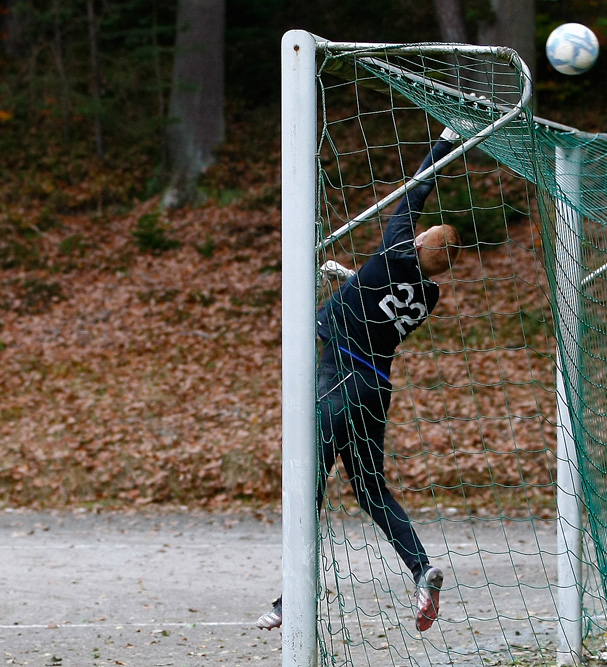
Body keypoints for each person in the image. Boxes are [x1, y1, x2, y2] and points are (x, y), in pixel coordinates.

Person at [257, 129, 462, 634]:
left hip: (337, 377)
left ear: (416, 242)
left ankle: (291, 601)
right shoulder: (429, 294)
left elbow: (416, 189)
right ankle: (421, 568)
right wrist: (347, 278)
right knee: (370, 488)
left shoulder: (395, 250)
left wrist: (443, 141)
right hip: (375, 388)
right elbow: (376, 298)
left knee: (308, 488)